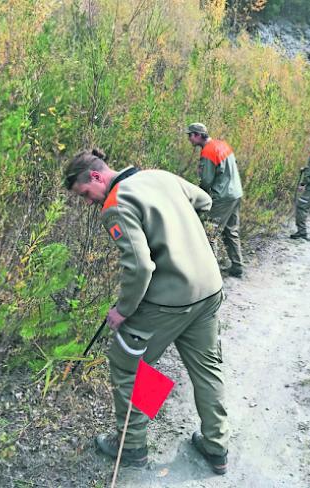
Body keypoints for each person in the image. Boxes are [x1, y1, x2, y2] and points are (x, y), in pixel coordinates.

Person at [63, 149, 230, 475]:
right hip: (209, 289)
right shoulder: (159, 176)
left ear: (97, 177)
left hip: (170, 301)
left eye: (85, 194)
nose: (88, 202)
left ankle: (132, 446)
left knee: (129, 365)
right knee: (208, 370)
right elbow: (205, 201)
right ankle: (217, 446)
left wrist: (123, 311)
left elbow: (140, 267)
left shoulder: (116, 206)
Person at [186, 123, 244, 278]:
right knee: (231, 231)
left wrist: (197, 199)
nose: (189, 139)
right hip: (236, 193)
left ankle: (210, 275)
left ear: (198, 135)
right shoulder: (222, 144)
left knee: (210, 233)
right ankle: (237, 267)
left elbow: (206, 181)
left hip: (223, 197)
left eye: (190, 135)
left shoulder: (208, 151)